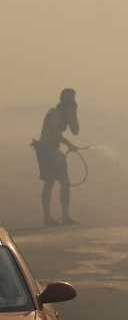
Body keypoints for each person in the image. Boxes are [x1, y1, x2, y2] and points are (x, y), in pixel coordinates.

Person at [32, 88, 80, 225]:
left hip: (56, 150)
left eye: (72, 99)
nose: (70, 101)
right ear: (61, 99)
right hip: (45, 149)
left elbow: (75, 131)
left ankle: (66, 216)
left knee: (66, 183)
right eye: (67, 98)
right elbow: (53, 133)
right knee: (49, 183)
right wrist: (69, 144)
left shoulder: (69, 114)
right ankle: (46, 217)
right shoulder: (54, 112)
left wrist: (75, 113)